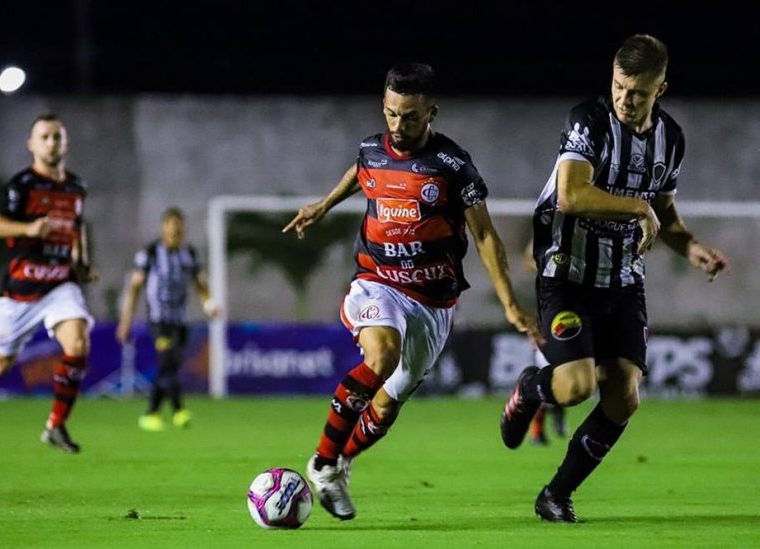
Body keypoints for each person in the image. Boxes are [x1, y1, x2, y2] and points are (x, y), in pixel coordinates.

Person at [284, 62, 542, 521]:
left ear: (431, 113)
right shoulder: (372, 149)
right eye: (390, 113)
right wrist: (323, 205)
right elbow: (361, 171)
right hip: (377, 281)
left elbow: (484, 235)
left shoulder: (452, 166)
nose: (397, 126)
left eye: (409, 116)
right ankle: (323, 463)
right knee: (382, 356)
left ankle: (342, 461)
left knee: (387, 404)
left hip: (433, 301)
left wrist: (508, 302)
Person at [500, 35, 730, 522]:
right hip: (566, 274)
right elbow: (571, 195)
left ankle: (556, 495)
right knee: (576, 386)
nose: (625, 99)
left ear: (660, 89)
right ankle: (531, 388)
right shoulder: (588, 121)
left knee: (624, 397)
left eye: (638, 92)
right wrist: (639, 207)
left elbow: (666, 217)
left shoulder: (671, 139)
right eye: (619, 86)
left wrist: (691, 247)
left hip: (624, 282)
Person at [0, 113, 97, 455]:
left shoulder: (76, 187)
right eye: (44, 137)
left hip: (60, 284)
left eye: (57, 137)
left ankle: (55, 425)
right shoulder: (22, 185)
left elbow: (75, 227)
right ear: (32, 144)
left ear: (66, 143)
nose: (51, 143)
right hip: (20, 289)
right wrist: (28, 229)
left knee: (78, 343)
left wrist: (82, 262)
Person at [116, 207, 220, 431]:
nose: (175, 232)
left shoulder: (189, 254)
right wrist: (125, 321)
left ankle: (152, 413)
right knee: (166, 361)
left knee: (170, 367)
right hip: (159, 320)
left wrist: (209, 304)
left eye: (179, 228)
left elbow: (200, 284)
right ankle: (178, 410)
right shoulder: (151, 252)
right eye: (171, 228)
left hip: (180, 320)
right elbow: (134, 288)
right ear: (164, 228)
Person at [522, 240, 567, 446]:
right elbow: (529, 259)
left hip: (575, 319)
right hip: (548, 322)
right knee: (548, 376)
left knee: (568, 377)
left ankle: (558, 412)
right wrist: (551, 266)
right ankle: (537, 432)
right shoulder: (548, 234)